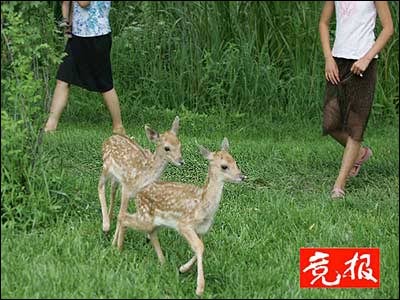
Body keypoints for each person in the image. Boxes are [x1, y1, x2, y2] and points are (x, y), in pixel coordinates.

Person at [319, 1, 393, 199]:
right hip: (337, 62)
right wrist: (328, 58)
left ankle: (339, 186)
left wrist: (367, 58)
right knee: (330, 122)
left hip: (364, 64)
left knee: (355, 125)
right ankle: (360, 155)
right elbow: (324, 23)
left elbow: (388, 28)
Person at [44, 1, 125, 135]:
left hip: (97, 36)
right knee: (63, 78)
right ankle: (50, 126)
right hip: (78, 36)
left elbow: (84, 3)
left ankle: (118, 126)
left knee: (105, 84)